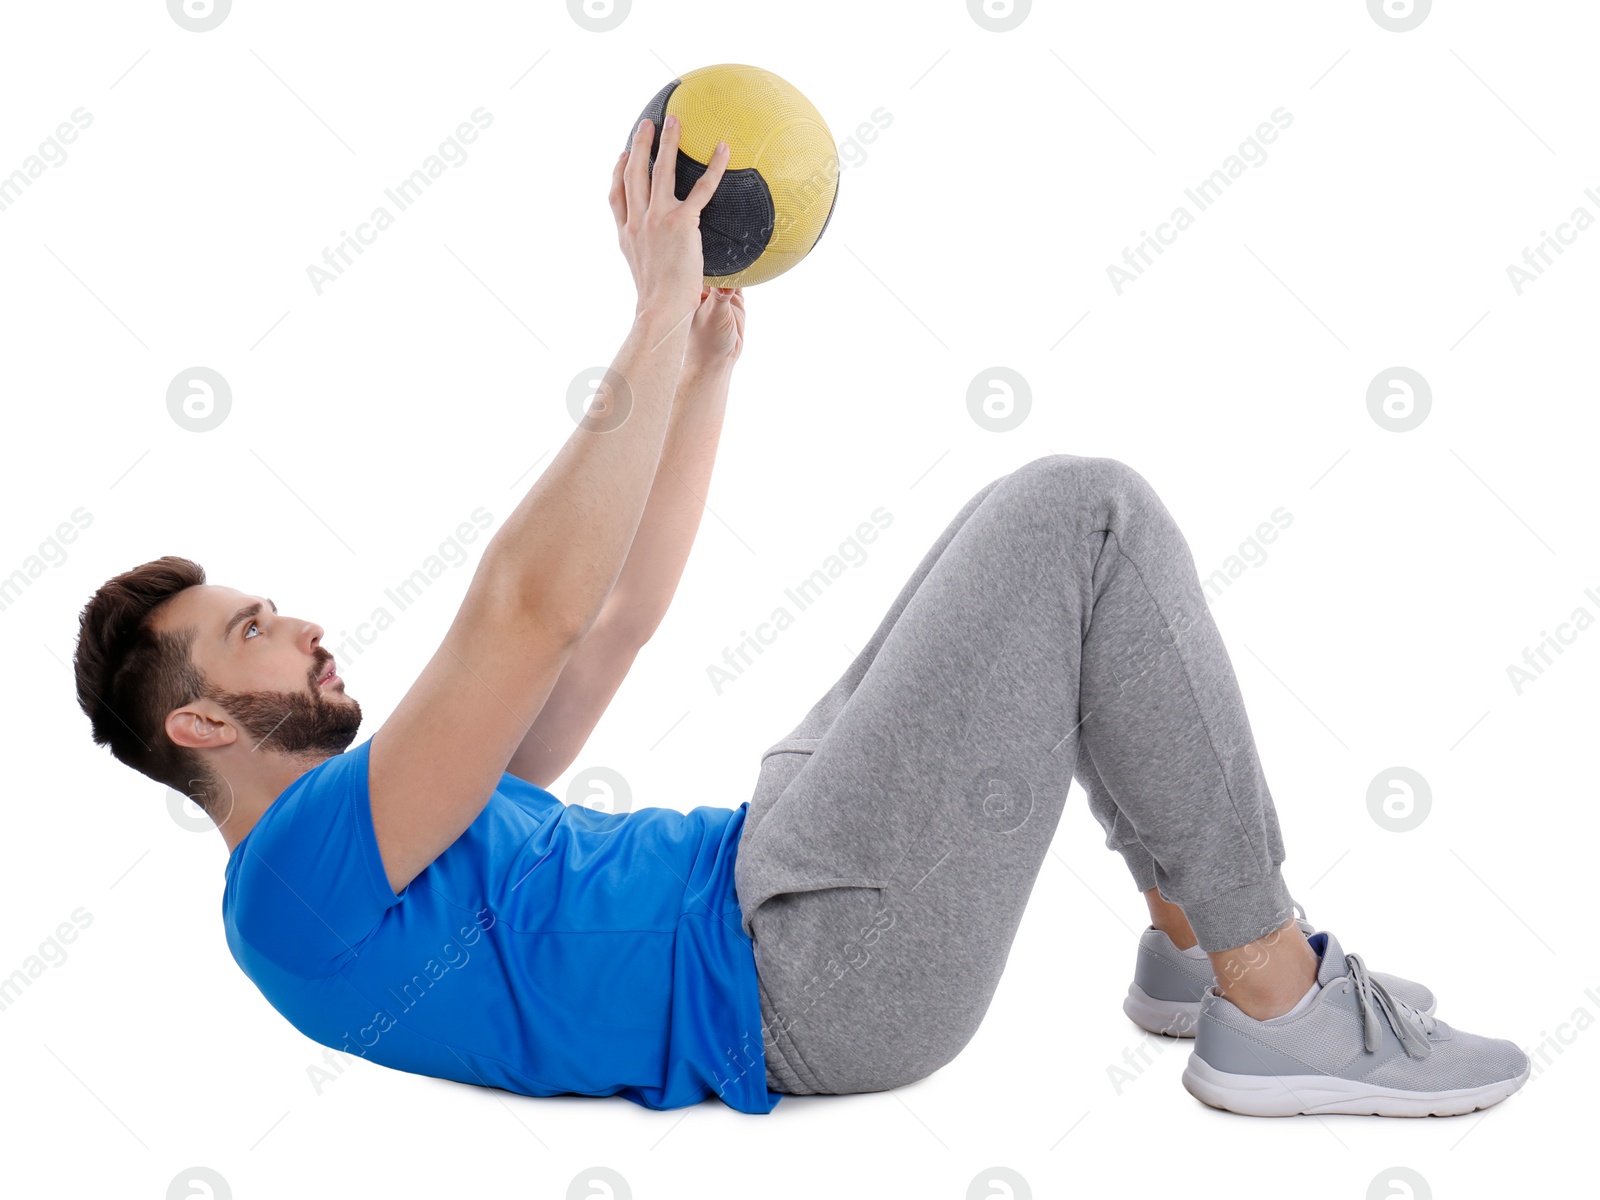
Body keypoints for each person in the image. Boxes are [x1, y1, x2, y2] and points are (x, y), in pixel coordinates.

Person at [72, 113, 1527, 1118]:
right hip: (809, 977)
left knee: (1023, 552)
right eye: (254, 628)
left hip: (782, 873)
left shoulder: (396, 839)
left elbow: (610, 620)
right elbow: (525, 608)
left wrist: (700, 360)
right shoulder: (295, 881)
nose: (305, 625)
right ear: (198, 719)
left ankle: (1197, 943)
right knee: (1082, 515)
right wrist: (645, 306)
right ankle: (1273, 1001)